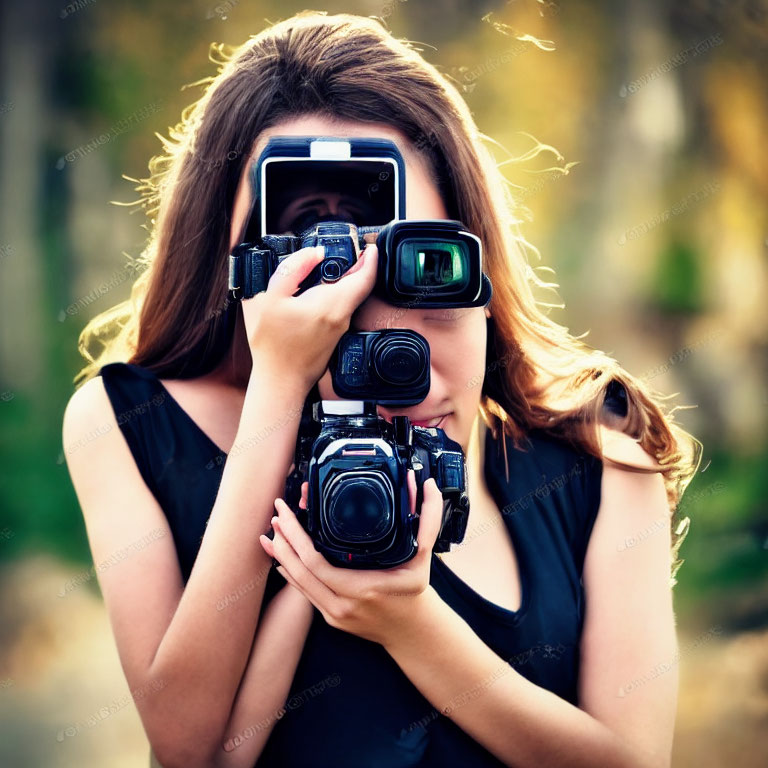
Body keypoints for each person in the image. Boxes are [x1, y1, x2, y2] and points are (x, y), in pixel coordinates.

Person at [62, 11, 701, 768]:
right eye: (337, 312)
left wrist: (410, 623)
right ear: (240, 271)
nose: (408, 368)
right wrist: (282, 391)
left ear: (483, 264)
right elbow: (187, 748)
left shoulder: (597, 461)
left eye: (429, 278)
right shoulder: (128, 423)